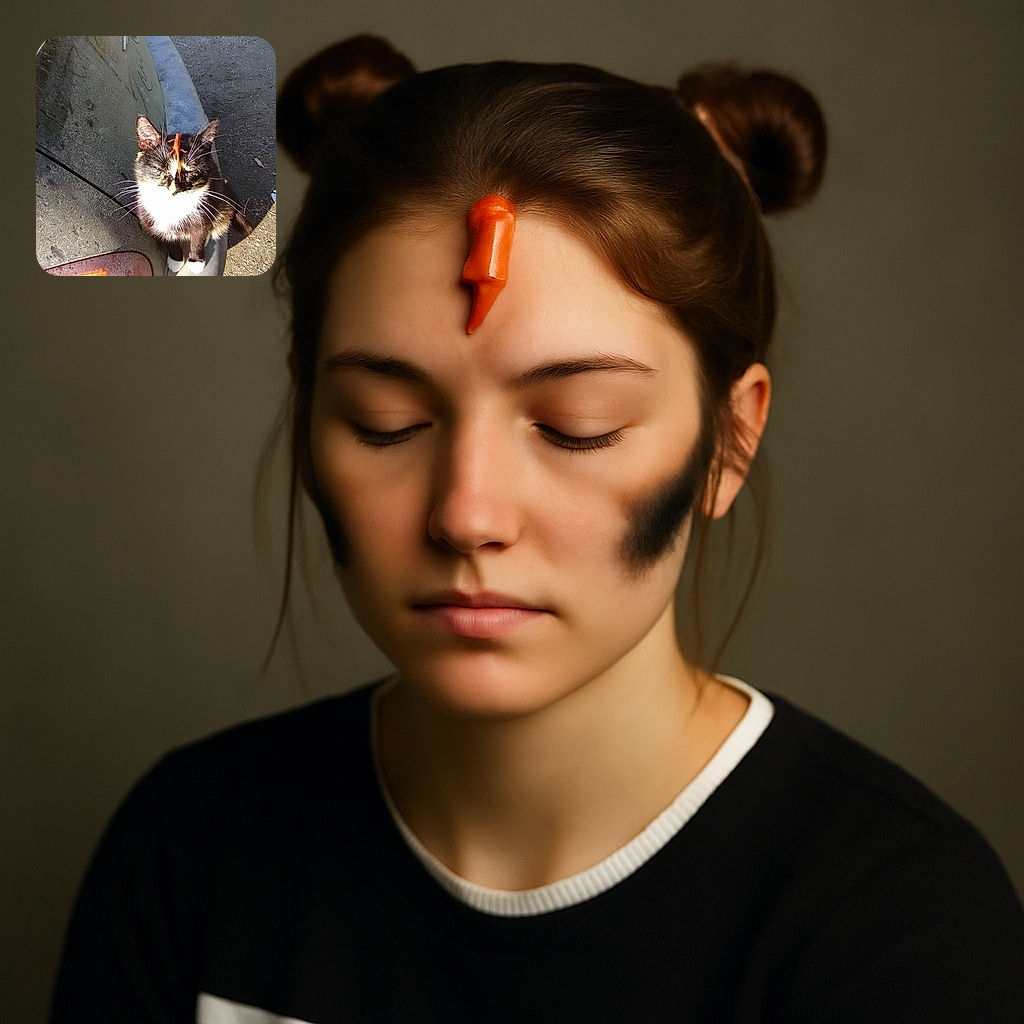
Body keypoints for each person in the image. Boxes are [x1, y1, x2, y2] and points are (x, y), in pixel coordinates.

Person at [50, 36, 1023, 1023]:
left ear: (730, 442)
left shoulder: (902, 929)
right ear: (308, 413)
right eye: (389, 422)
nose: (467, 514)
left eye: (576, 427)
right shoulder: (188, 853)